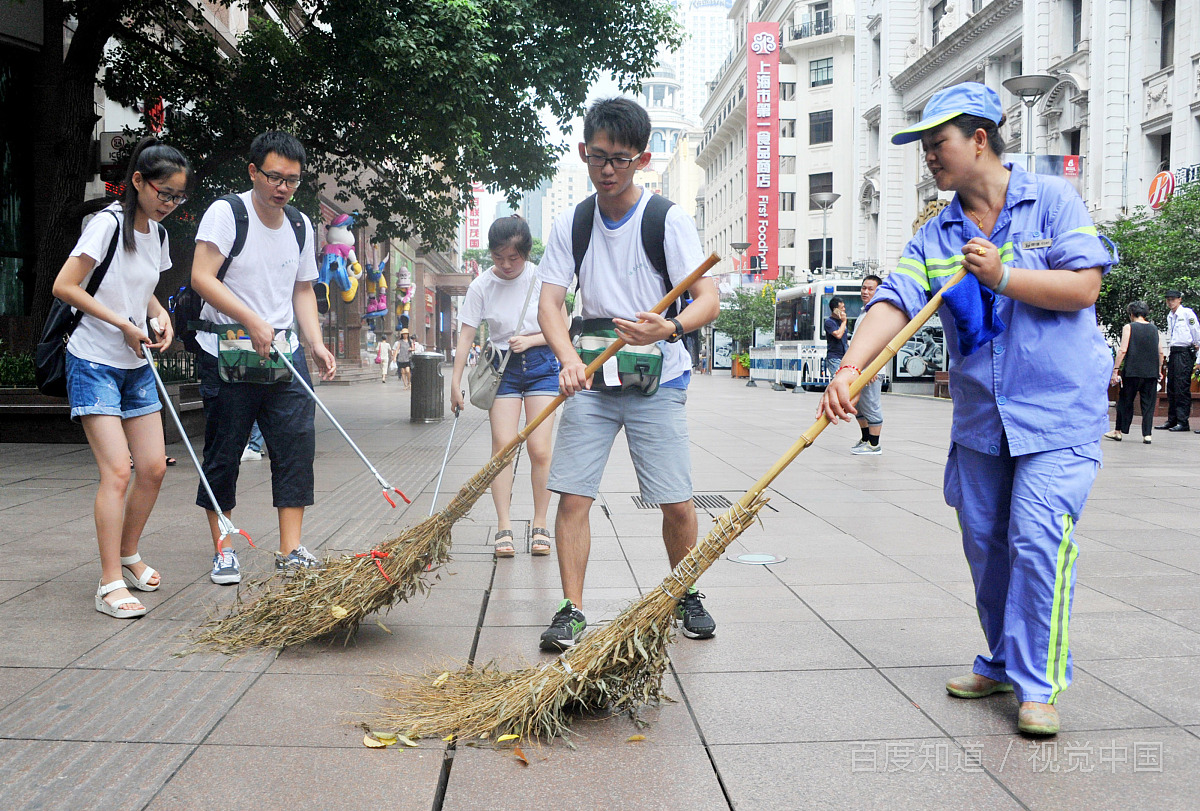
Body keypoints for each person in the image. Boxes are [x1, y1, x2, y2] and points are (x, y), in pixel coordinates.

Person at [820, 82, 1115, 736]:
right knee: (987, 548)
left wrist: (1004, 277)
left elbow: (1085, 284)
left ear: (979, 137)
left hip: (1058, 416)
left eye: (938, 142)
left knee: (1037, 541)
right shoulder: (938, 234)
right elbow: (894, 301)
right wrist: (850, 366)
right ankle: (1004, 657)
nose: (929, 156)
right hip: (983, 421)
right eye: (924, 146)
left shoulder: (1053, 200)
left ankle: (1038, 683)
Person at [536, 97, 720, 651]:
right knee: (571, 496)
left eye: (619, 158)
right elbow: (549, 303)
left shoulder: (666, 219)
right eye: (597, 157)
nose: (607, 169)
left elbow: (707, 297)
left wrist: (670, 328)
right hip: (592, 376)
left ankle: (686, 591)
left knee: (675, 499)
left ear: (642, 159)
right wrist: (568, 359)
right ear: (582, 153)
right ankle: (571, 609)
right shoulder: (574, 221)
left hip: (657, 378)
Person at [190, 131, 337, 585]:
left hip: (283, 353)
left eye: (292, 180)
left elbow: (302, 289)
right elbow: (201, 276)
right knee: (225, 450)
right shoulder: (227, 213)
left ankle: (290, 548)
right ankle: (224, 548)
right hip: (228, 352)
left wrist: (315, 341)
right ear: (253, 171)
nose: (283, 187)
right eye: (274, 177)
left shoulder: (299, 224)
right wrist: (250, 319)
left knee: (296, 446)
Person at [52, 137, 188, 617]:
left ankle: (129, 554)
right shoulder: (106, 225)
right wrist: (122, 324)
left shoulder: (159, 234)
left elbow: (141, 288)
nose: (169, 204)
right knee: (117, 471)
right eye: (163, 193)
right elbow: (65, 286)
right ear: (138, 181)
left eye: (178, 197)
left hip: (135, 363)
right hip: (93, 360)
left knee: (152, 468)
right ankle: (109, 582)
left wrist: (157, 316)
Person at [451, 216, 565, 558]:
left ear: (526, 254)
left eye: (513, 258)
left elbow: (564, 329)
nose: (505, 265)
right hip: (501, 369)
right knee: (502, 449)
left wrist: (531, 342)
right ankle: (504, 526)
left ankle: (540, 523)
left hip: (543, 363)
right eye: (498, 257)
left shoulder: (543, 278)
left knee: (540, 449)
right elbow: (467, 335)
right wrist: (454, 383)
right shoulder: (480, 286)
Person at [1105, 301, 1164, 444]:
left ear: (1132, 314)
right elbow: (1161, 352)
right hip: (1150, 373)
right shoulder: (1154, 329)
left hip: (1132, 371)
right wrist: (1159, 370)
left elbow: (1123, 350)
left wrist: (1115, 370)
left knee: (1125, 401)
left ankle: (1119, 431)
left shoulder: (1129, 327)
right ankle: (1147, 435)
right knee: (1148, 404)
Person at [1156, 290, 1200, 432]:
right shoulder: (1170, 316)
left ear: (1180, 299)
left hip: (1185, 352)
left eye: (1173, 299)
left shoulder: (1187, 313)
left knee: (1181, 387)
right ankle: (1172, 419)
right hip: (1174, 352)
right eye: (1168, 299)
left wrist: (1197, 352)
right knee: (1172, 387)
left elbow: (1196, 333)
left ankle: (1182, 421)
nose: (1170, 302)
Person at [851, 275, 885, 455]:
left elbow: (880, 342)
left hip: (871, 369)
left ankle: (874, 445)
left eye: (870, 288)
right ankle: (865, 438)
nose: (865, 291)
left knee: (871, 405)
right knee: (859, 406)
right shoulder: (865, 311)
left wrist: (874, 367)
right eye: (864, 288)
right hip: (860, 368)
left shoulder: (878, 312)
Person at [824, 296, 848, 380]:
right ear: (835, 310)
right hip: (834, 357)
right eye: (841, 308)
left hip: (844, 356)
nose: (844, 309)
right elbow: (838, 335)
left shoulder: (841, 321)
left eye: (844, 307)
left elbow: (845, 339)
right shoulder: (829, 322)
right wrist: (844, 321)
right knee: (838, 380)